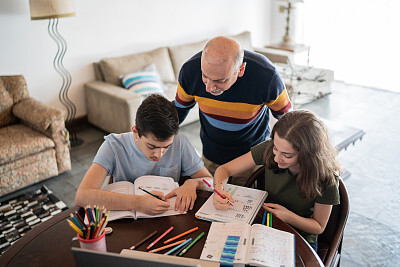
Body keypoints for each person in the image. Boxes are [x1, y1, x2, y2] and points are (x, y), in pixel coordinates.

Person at [212, 110, 341, 252]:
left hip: (300, 236)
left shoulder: (326, 178)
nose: (276, 158)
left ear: (308, 154)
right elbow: (224, 170)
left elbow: (319, 226)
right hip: (265, 223)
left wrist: (288, 217)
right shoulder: (269, 149)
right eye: (275, 148)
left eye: (287, 155)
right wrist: (219, 190)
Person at [174, 36, 292, 186]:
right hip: (210, 155)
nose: (209, 88)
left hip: (250, 160)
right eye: (205, 76)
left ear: (240, 70)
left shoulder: (266, 77)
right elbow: (179, 109)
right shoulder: (190, 71)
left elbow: (287, 120)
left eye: (219, 80)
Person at [75, 94, 212, 215]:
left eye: (166, 147)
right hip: (127, 223)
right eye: (152, 146)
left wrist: (193, 183)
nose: (159, 155)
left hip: (167, 219)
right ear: (135, 132)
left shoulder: (180, 142)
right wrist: (138, 203)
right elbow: (82, 196)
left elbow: (210, 181)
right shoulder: (113, 146)